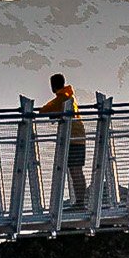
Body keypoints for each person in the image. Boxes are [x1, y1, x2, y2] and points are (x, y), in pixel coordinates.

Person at [40, 72, 89, 207]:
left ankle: (80, 202)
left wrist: (53, 115)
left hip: (72, 137)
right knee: (76, 170)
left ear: (53, 85)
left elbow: (43, 110)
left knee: (75, 171)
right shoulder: (69, 97)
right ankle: (80, 201)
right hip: (79, 136)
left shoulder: (61, 99)